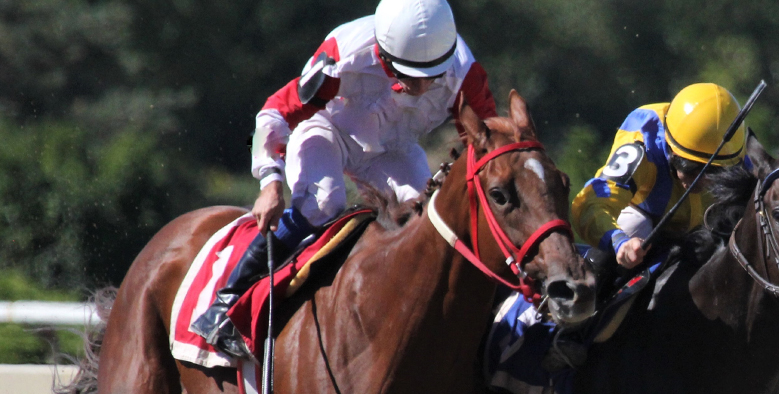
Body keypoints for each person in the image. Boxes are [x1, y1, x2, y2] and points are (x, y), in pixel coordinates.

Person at [191, 0, 498, 359]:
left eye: (431, 75)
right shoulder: (344, 52)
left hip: (392, 149)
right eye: (411, 76)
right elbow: (274, 111)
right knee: (324, 203)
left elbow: (489, 149)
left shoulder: (465, 73)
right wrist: (270, 181)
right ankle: (225, 305)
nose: (423, 85)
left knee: (427, 217)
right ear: (383, 56)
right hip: (327, 129)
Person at [571, 82, 748, 271]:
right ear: (670, 148)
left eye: (714, 171)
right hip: (644, 222)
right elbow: (591, 203)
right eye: (690, 167)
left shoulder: (735, 147)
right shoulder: (644, 143)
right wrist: (620, 242)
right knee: (634, 225)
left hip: (706, 230)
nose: (702, 180)